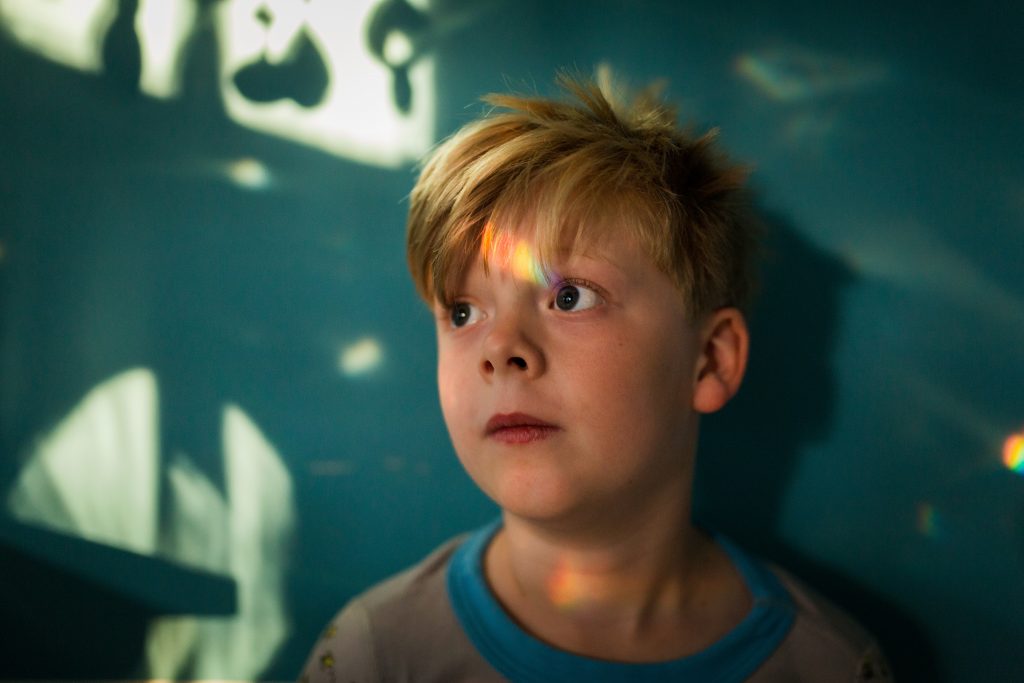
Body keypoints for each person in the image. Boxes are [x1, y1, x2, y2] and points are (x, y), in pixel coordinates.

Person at [299, 70, 892, 682]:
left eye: (571, 297)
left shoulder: (830, 666)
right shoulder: (378, 654)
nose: (500, 349)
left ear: (710, 359)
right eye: (463, 312)